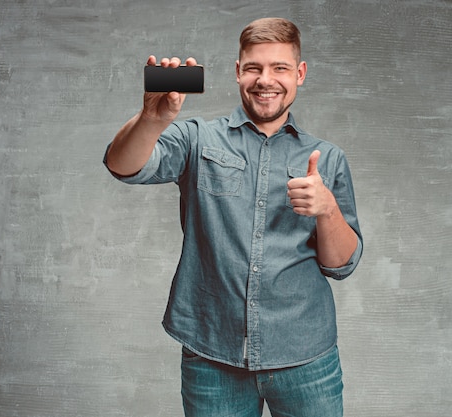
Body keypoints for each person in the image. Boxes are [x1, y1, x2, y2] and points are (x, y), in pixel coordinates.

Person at [104, 17, 363, 417]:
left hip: (306, 356)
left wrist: (327, 208)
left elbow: (341, 265)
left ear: (300, 73)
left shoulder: (327, 158)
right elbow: (123, 166)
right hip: (212, 354)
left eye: (279, 68)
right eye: (254, 68)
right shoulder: (196, 138)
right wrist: (152, 120)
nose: (266, 80)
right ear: (237, 71)